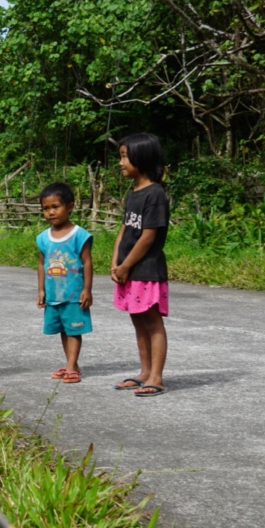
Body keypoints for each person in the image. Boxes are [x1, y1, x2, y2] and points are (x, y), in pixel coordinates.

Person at [111, 133, 170, 397]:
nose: (120, 163)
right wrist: (116, 262)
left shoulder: (155, 194)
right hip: (129, 270)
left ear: (142, 158)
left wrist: (126, 266)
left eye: (124, 157)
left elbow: (148, 237)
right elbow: (124, 230)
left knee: (153, 323)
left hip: (147, 270)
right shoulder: (133, 193)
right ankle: (144, 372)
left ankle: (156, 377)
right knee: (138, 321)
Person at [36, 182, 93, 384]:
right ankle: (71, 364)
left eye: (55, 207)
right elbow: (41, 264)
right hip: (54, 295)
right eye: (45, 208)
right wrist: (41, 289)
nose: (50, 212)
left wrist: (87, 289)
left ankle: (71, 366)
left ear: (70, 207)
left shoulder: (79, 235)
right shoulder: (43, 238)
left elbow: (87, 262)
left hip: (74, 295)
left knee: (74, 330)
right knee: (63, 329)